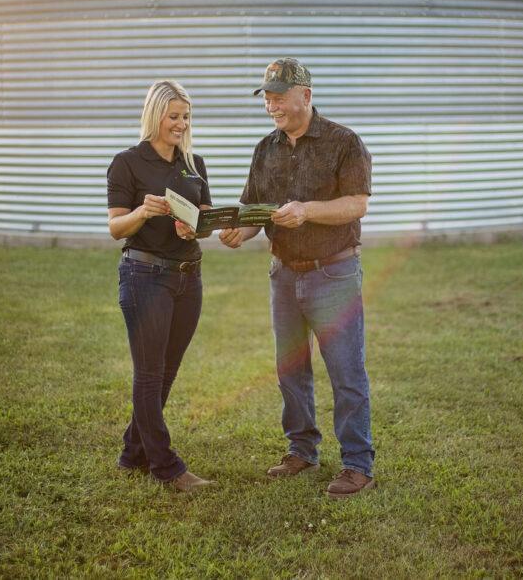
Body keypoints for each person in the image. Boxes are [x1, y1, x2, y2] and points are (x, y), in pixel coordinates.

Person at [220, 58, 376, 499]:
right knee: (291, 370)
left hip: (334, 272)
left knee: (346, 372)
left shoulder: (345, 142)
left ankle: (357, 464)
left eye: (279, 96)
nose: (272, 105)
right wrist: (240, 231)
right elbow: (253, 209)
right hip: (283, 274)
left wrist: (306, 210)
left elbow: (357, 204)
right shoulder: (264, 149)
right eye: (267, 97)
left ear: (305, 95)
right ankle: (302, 450)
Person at [106, 80, 214, 493]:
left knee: (166, 372)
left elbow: (204, 218)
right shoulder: (127, 163)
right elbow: (116, 227)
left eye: (186, 117)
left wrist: (196, 228)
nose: (182, 124)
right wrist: (141, 212)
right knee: (149, 375)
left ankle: (133, 453)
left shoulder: (194, 162)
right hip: (145, 276)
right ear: (155, 116)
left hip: (189, 277)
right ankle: (165, 466)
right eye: (174, 117)